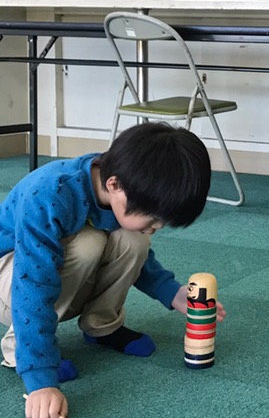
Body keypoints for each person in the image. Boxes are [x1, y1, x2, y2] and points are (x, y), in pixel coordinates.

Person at [0, 122, 227, 418]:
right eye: (153, 220)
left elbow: (135, 250)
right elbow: (33, 283)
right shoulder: (48, 194)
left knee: (133, 238)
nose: (156, 228)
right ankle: (19, 349)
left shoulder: (124, 178)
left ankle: (102, 328)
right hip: (13, 282)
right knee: (89, 243)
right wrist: (40, 378)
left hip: (50, 274)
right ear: (114, 186)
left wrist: (171, 292)